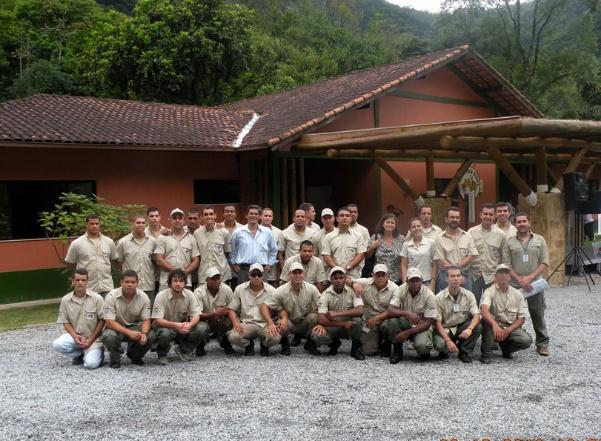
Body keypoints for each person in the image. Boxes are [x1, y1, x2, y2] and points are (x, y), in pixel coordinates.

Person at [504, 212, 550, 356]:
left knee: (537, 313)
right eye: (519, 222)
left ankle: (542, 344)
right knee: (511, 314)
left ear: (529, 223)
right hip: (514, 285)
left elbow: (544, 262)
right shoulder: (509, 241)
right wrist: (519, 280)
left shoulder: (540, 240)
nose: (522, 224)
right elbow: (506, 264)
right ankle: (508, 343)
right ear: (515, 225)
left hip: (534, 285)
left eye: (524, 221)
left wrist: (529, 278)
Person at [261, 262, 321, 355]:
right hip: (289, 322)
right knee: (281, 324)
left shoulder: (311, 289)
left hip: (304, 321)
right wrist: (270, 323)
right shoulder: (281, 290)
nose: (297, 275)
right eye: (294, 273)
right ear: (289, 275)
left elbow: (322, 305)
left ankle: (310, 343)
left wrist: (322, 324)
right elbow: (264, 306)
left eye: (300, 272)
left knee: (315, 317)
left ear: (303, 274)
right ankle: (285, 343)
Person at [101, 270, 155, 368]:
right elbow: (109, 322)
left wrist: (144, 333)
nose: (130, 284)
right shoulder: (111, 296)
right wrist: (128, 332)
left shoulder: (144, 297)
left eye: (133, 282)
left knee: (150, 335)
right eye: (126, 282)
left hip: (134, 327)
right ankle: (115, 359)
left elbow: (146, 320)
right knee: (108, 336)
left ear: (137, 283)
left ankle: (134, 356)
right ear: (121, 282)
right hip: (116, 328)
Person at [479, 264, 532, 363]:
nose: (503, 275)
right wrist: (495, 325)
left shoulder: (517, 294)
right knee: (486, 321)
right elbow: (484, 310)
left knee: (526, 340)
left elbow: (522, 318)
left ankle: (506, 349)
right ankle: (486, 353)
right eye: (500, 273)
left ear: (510, 276)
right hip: (494, 326)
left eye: (506, 273)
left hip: (509, 326)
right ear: (496, 276)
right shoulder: (489, 291)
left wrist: (508, 330)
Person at [52, 269, 105, 369]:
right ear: (73, 281)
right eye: (77, 280)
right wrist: (75, 337)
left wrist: (90, 340)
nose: (80, 283)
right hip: (76, 337)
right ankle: (80, 354)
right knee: (57, 344)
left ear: (87, 281)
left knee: (91, 365)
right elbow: (65, 321)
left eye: (83, 280)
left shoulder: (97, 298)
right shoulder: (65, 300)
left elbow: (102, 321)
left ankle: (98, 354)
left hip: (94, 339)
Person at [310, 266, 365, 360]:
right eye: (335, 278)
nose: (339, 281)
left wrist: (337, 314)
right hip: (333, 325)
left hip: (349, 325)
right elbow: (321, 318)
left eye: (341, 278)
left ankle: (355, 348)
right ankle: (334, 343)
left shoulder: (353, 291)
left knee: (358, 320)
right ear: (331, 279)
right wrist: (343, 324)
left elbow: (360, 310)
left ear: (345, 279)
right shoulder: (325, 294)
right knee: (316, 335)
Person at [385, 267, 437, 363]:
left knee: (423, 347)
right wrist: (408, 313)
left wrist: (407, 333)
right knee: (392, 322)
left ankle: (423, 351)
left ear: (422, 280)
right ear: (407, 281)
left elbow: (428, 323)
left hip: (421, 325)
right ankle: (397, 351)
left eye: (417, 280)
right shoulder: (401, 289)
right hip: (406, 322)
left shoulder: (430, 295)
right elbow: (390, 310)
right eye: (412, 281)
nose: (415, 283)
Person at [152, 269, 204, 365]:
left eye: (181, 281)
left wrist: (190, 324)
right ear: (170, 283)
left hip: (181, 327)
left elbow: (196, 315)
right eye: (175, 281)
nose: (178, 284)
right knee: (165, 333)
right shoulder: (161, 295)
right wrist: (176, 325)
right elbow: (158, 320)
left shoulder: (190, 294)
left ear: (185, 283)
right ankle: (162, 354)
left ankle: (183, 350)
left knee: (202, 327)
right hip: (165, 327)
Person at [227, 263, 280, 356]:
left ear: (263, 276)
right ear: (249, 275)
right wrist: (235, 324)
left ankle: (264, 345)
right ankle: (248, 345)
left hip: (264, 324)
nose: (256, 277)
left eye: (259, 275)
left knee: (276, 338)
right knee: (233, 337)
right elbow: (232, 309)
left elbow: (280, 308)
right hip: (246, 323)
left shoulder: (271, 290)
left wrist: (273, 323)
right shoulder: (239, 289)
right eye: (253, 275)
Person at [433, 266, 482, 363]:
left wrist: (469, 329)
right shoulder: (438, 297)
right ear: (447, 279)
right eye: (452, 276)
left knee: (478, 327)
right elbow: (437, 322)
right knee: (440, 345)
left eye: (458, 275)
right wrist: (447, 340)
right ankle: (445, 349)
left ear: (461, 278)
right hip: (445, 329)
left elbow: (476, 315)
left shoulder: (469, 295)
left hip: (461, 327)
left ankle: (463, 351)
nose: (456, 278)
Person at [350, 263, 399, 356]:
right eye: (378, 275)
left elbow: (394, 310)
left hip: (384, 320)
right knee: (369, 351)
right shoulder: (365, 282)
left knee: (391, 324)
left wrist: (377, 318)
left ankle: (387, 342)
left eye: (383, 275)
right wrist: (354, 283)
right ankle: (376, 341)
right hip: (369, 322)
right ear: (373, 275)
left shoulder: (395, 288)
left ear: (388, 276)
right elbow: (346, 279)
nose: (380, 277)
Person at [64, 214, 116, 296]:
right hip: (87, 287)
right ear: (86, 225)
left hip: (107, 286)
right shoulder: (77, 243)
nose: (95, 226)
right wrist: (79, 277)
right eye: (92, 224)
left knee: (108, 309)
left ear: (100, 225)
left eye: (97, 224)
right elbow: (70, 263)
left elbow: (113, 260)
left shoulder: (109, 242)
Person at [468, 203, 508, 304]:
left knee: (492, 306)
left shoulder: (501, 235)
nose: (488, 216)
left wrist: (499, 276)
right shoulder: (471, 232)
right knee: (472, 305)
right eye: (485, 214)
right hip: (475, 276)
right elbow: (467, 254)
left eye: (490, 214)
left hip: (492, 277)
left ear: (494, 216)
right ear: (480, 215)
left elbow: (503, 258)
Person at [229, 205, 278, 285]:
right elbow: (232, 250)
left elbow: (273, 249)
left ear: (259, 216)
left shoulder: (267, 232)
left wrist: (270, 263)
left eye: (256, 214)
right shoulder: (238, 232)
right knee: (243, 294)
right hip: (244, 269)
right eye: (251, 213)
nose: (253, 216)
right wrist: (234, 264)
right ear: (246, 215)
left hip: (261, 269)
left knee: (263, 295)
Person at [434, 206, 478, 292]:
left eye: (457, 217)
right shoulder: (439, 238)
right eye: (452, 217)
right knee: (447, 303)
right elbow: (440, 259)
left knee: (466, 303)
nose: (455, 219)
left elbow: (471, 255)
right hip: (446, 277)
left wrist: (458, 271)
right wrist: (454, 273)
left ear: (460, 219)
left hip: (465, 276)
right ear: (446, 219)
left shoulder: (467, 236)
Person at [154, 208, 200, 291]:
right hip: (166, 282)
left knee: (185, 304)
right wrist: (175, 271)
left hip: (185, 281)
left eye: (180, 218)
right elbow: (158, 259)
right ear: (170, 220)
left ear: (184, 220)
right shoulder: (163, 237)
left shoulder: (191, 238)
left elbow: (196, 260)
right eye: (174, 218)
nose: (177, 220)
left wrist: (185, 272)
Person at [193, 267, 235, 355]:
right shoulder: (198, 292)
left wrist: (223, 313)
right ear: (206, 280)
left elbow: (233, 308)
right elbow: (197, 315)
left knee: (232, 319)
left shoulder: (227, 289)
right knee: (200, 326)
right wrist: (214, 314)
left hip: (222, 318)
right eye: (213, 279)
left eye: (218, 278)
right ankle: (200, 345)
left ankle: (226, 342)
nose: (216, 281)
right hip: (205, 320)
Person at [115, 215, 156, 304]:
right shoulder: (123, 242)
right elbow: (118, 262)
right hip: (130, 286)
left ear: (146, 225)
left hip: (148, 284)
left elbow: (155, 260)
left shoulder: (152, 241)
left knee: (148, 313)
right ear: (132, 224)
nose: (141, 225)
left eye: (143, 223)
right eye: (138, 222)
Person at [322, 206, 367, 279]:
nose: (345, 217)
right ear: (337, 219)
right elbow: (326, 256)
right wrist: (338, 270)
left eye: (347, 216)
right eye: (342, 215)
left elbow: (361, 255)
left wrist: (347, 268)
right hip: (334, 277)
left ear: (350, 218)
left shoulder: (358, 236)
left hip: (353, 276)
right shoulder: (328, 237)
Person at [194, 206, 232, 284]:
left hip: (221, 272)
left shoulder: (224, 232)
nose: (209, 217)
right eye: (206, 214)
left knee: (222, 295)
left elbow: (227, 252)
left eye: (211, 214)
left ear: (215, 215)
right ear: (201, 217)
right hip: (204, 272)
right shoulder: (197, 233)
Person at [366, 213, 404, 284]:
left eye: (392, 223)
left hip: (396, 279)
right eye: (387, 222)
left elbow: (404, 257)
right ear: (382, 224)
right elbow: (367, 255)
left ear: (395, 225)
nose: (389, 224)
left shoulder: (401, 239)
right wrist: (372, 247)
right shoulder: (375, 237)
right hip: (379, 278)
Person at [401, 217, 437, 291]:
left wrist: (433, 282)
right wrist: (405, 282)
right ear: (410, 230)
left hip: (427, 281)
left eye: (418, 226)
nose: (416, 228)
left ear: (422, 227)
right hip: (411, 281)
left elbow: (435, 264)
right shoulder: (406, 245)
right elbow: (403, 264)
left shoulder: (431, 243)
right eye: (413, 227)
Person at [260, 207, 284, 286]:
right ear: (260, 216)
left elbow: (279, 252)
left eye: (270, 216)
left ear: (272, 218)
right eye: (265, 215)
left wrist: (270, 264)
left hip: (273, 270)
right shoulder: (255, 230)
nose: (268, 218)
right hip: (258, 269)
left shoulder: (279, 232)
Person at [347, 203, 370, 276]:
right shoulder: (338, 230)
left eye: (355, 212)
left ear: (358, 214)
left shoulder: (363, 230)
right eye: (351, 212)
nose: (353, 214)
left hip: (359, 269)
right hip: (342, 267)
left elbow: (365, 251)